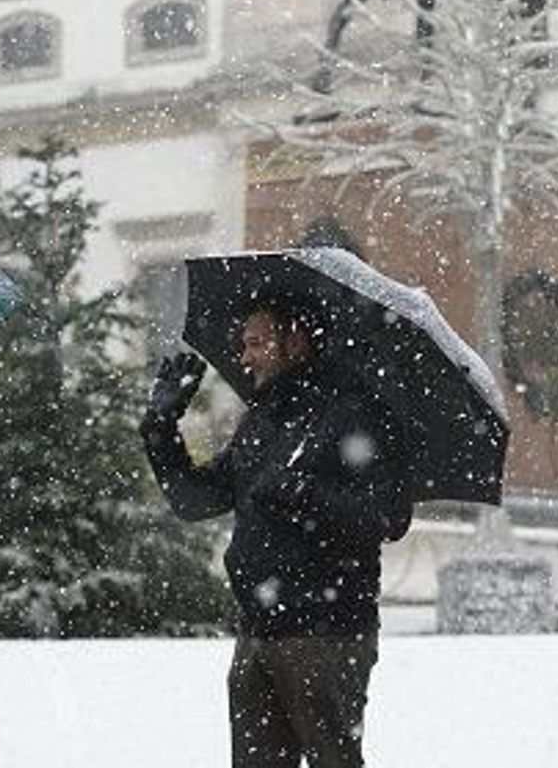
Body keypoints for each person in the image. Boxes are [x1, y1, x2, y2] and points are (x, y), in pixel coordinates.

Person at [138, 297, 412, 767]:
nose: (244, 358)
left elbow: (388, 517)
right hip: (259, 631)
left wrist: (306, 494)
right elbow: (195, 501)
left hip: (326, 635)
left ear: (296, 340)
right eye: (244, 345)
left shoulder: (354, 414)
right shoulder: (262, 420)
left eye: (256, 343)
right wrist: (161, 429)